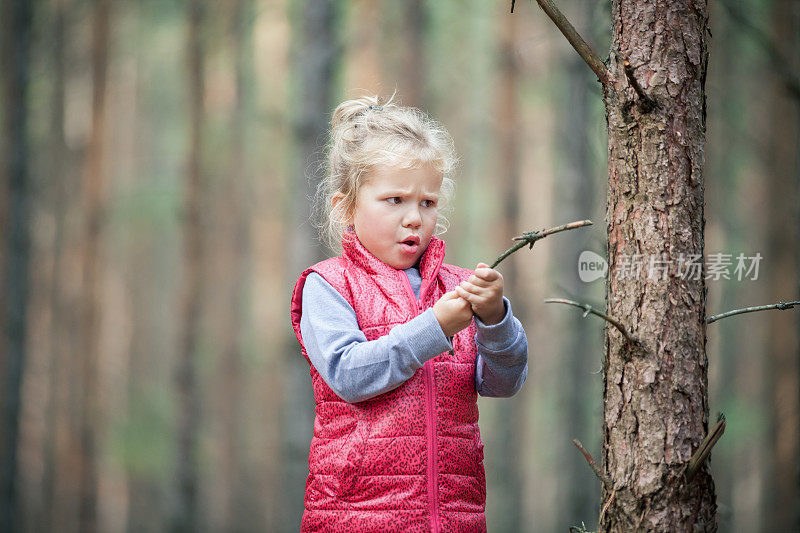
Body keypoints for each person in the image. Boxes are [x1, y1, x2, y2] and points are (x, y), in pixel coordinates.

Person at [289, 94, 528, 532]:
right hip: (357, 517)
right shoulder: (329, 285)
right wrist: (434, 327)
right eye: (394, 199)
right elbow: (349, 375)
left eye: (427, 203)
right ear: (346, 206)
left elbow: (502, 382)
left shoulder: (456, 287)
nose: (414, 218)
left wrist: (496, 319)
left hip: (456, 519)